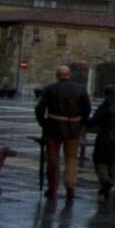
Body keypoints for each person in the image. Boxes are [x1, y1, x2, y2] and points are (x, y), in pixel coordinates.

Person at [36, 64, 92, 200]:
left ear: (57, 75)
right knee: (71, 158)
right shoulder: (80, 89)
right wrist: (80, 123)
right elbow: (87, 109)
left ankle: (52, 188)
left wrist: (44, 123)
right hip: (73, 128)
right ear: (69, 75)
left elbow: (40, 109)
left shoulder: (50, 89)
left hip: (54, 127)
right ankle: (70, 187)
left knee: (52, 158)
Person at [88, 88, 115, 201]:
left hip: (105, 137)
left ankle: (106, 181)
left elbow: (93, 122)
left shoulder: (104, 107)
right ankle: (112, 185)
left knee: (100, 161)